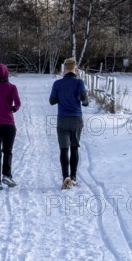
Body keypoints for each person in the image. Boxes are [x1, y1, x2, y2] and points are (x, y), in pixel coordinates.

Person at [49, 57, 89, 190]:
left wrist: (61, 97)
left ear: (64, 69)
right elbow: (85, 100)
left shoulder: (57, 84)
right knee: (74, 148)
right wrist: (84, 102)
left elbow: (52, 101)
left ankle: (65, 177)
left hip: (62, 120)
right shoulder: (79, 83)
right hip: (76, 119)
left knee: (63, 149)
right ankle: (73, 177)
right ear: (75, 68)